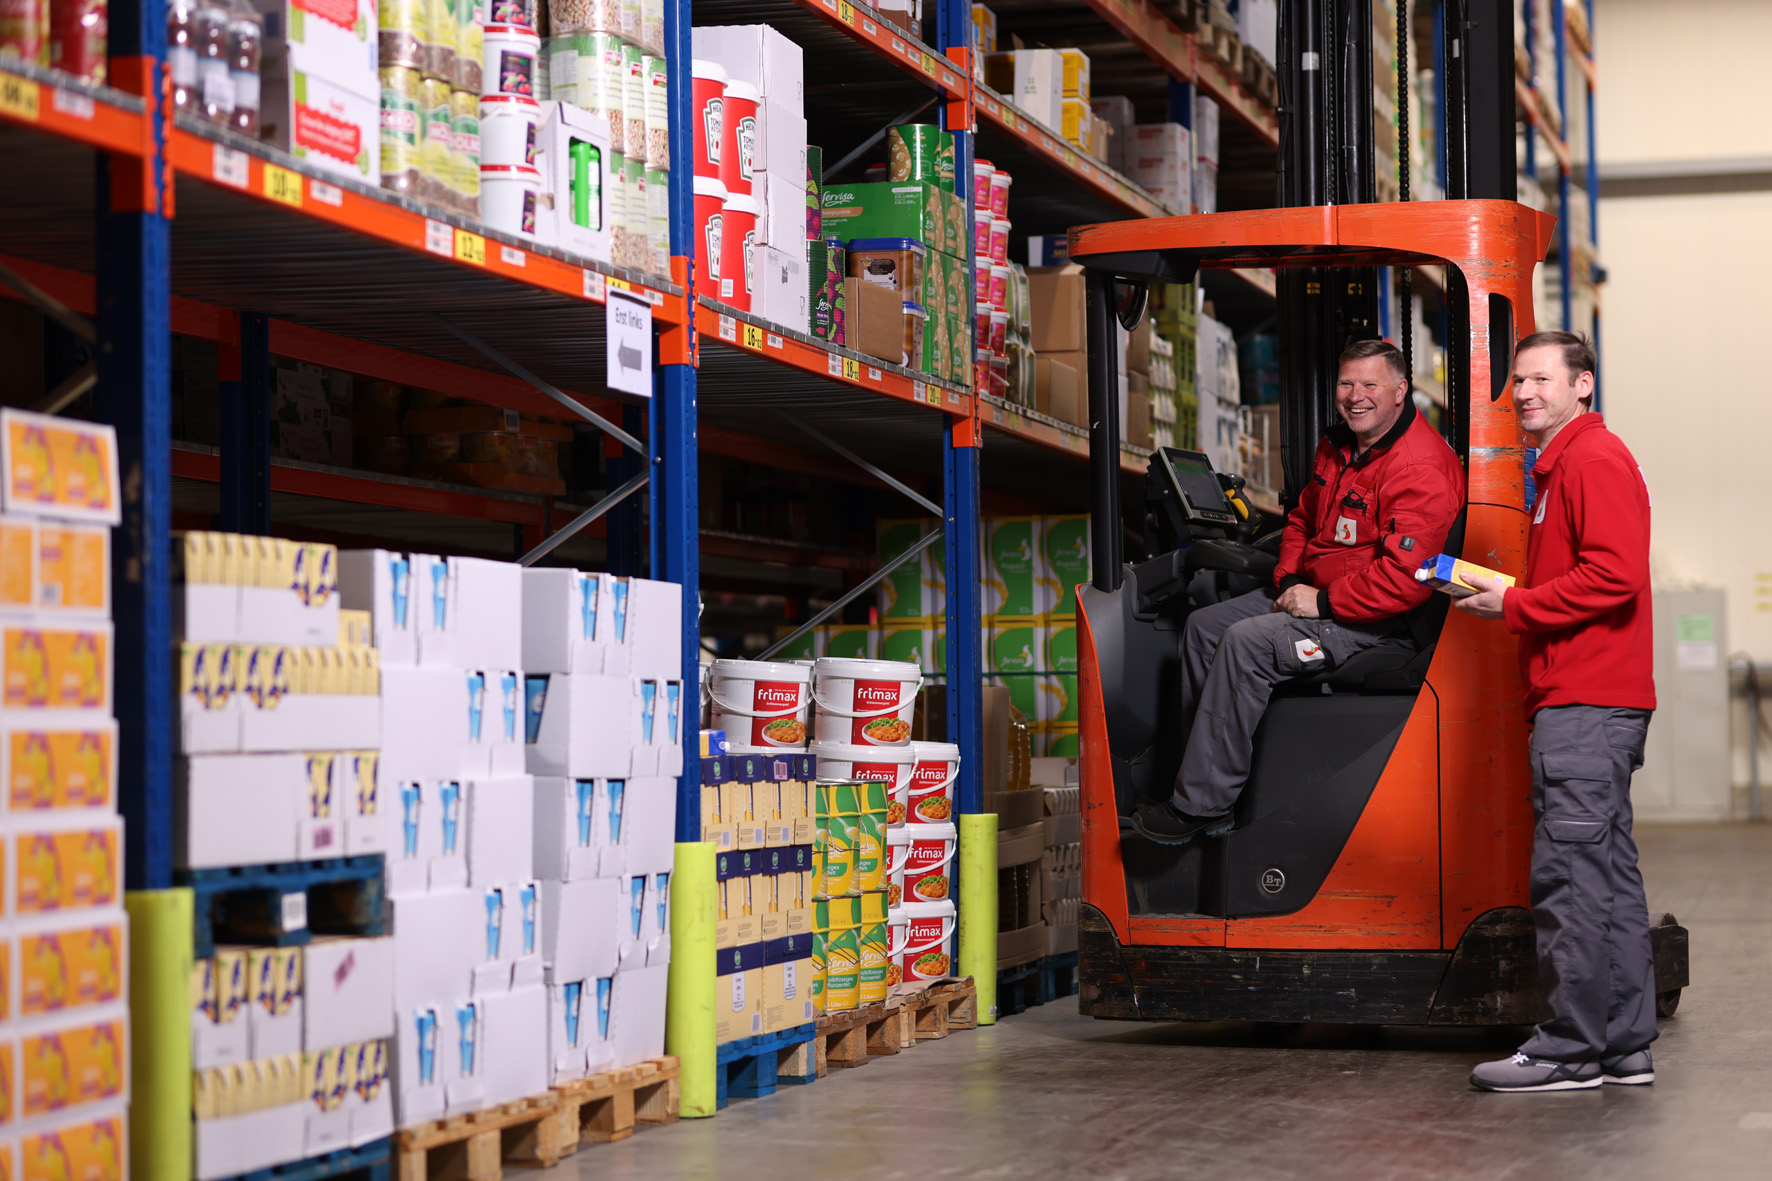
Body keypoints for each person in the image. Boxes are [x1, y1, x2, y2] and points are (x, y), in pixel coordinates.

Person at [1134, 339, 1466, 845]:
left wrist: (1324, 602)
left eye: (1369, 384)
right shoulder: (1336, 447)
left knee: (1247, 643)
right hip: (1317, 596)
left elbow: (1405, 578)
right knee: (1203, 627)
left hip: (1374, 622)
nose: (1355, 396)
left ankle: (1201, 805)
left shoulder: (1419, 466)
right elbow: (1302, 520)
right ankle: (1217, 787)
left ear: (1401, 391)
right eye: (1346, 383)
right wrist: (1290, 578)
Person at [1457, 331, 1658, 1093]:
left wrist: (1515, 603)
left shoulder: (1592, 460)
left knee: (1571, 881)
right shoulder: (1567, 464)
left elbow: (1614, 575)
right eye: (1519, 380)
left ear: (1584, 384)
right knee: (1605, 877)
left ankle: (1570, 1048)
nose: (1527, 392)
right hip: (1590, 700)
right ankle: (1623, 1044)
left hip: (1585, 701)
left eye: (1542, 378)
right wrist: (1516, 595)